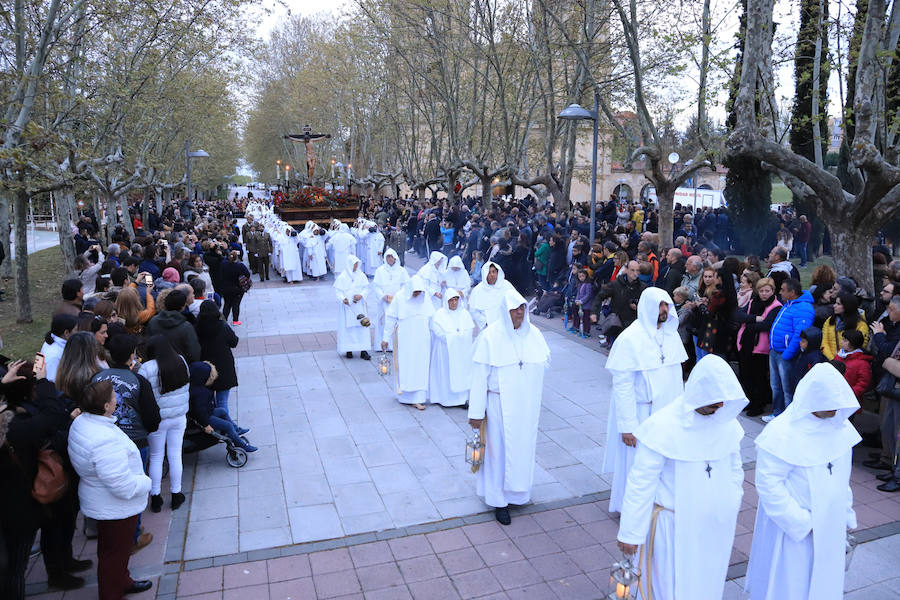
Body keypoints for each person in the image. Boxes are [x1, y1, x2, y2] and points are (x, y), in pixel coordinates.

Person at [616, 355, 747, 600]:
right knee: (671, 588)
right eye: (713, 401)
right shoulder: (663, 426)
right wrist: (630, 533)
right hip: (673, 527)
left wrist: (730, 500)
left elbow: (735, 469)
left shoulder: (726, 425)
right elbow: (641, 482)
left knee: (707, 584)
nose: (719, 407)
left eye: (722, 401)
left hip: (715, 526)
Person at [745, 363, 859, 600]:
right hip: (793, 531)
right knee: (790, 586)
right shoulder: (781, 433)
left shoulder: (840, 427)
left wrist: (845, 513)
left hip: (830, 525)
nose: (834, 411)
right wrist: (802, 523)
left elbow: (841, 477)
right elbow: (769, 484)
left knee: (825, 585)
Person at [467, 289, 550, 525]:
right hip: (498, 404)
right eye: (514, 310)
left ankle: (517, 494)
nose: (519, 314)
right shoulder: (490, 337)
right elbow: (479, 376)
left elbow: (541, 365)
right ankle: (498, 501)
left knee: (522, 450)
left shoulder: (534, 334)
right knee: (497, 453)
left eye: (522, 309)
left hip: (525, 406)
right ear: (505, 312)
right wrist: (475, 412)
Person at [602, 287, 687, 513]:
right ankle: (629, 510)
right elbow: (623, 386)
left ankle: (655, 506)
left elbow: (676, 378)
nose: (664, 310)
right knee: (634, 466)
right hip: (640, 414)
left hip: (666, 415)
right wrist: (627, 426)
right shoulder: (630, 339)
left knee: (663, 465)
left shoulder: (671, 336)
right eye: (660, 305)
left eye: (667, 305)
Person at [67, 380, 154, 599]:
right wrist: (146, 483)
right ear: (106, 406)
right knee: (114, 554)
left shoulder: (84, 422)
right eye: (114, 396)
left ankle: (123, 581)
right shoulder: (104, 440)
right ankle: (112, 593)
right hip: (115, 506)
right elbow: (121, 485)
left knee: (113, 550)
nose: (117, 399)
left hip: (102, 500)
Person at [138, 335, 190, 513]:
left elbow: (141, 393)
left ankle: (156, 497)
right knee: (175, 455)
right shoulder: (181, 362)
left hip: (157, 420)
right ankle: (176, 494)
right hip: (179, 416)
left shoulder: (146, 368)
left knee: (156, 456)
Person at [765, 279, 814, 422]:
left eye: (783, 290)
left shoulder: (804, 308)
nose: (780, 292)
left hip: (785, 355)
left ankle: (789, 420)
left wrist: (787, 354)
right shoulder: (788, 304)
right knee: (775, 386)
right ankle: (777, 413)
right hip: (775, 351)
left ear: (792, 292)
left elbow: (800, 335)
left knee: (788, 389)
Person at [382, 276, 434, 409]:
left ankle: (419, 398)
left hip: (422, 339)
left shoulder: (425, 297)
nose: (417, 294)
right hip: (406, 338)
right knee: (406, 365)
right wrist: (385, 338)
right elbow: (391, 318)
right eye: (415, 291)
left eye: (419, 291)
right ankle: (405, 396)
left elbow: (431, 319)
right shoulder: (400, 297)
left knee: (421, 366)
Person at [735, 277, 782, 416]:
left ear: (773, 291)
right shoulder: (752, 302)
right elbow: (738, 315)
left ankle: (758, 404)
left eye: (767, 291)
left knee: (758, 377)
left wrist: (749, 323)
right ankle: (749, 400)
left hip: (760, 347)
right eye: (761, 291)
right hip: (745, 343)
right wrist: (754, 319)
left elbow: (766, 325)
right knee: (745, 374)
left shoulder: (776, 306)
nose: (764, 294)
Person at [188, 361, 256, 452]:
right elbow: (198, 411)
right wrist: (206, 425)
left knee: (222, 411)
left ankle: (234, 431)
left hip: (208, 412)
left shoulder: (197, 387)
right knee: (227, 425)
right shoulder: (199, 393)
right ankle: (240, 444)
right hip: (204, 418)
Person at [195, 300, 241, 418]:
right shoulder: (222, 326)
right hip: (223, 366)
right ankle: (227, 427)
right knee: (222, 401)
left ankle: (219, 424)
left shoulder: (196, 328)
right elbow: (234, 342)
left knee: (209, 401)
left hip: (206, 368)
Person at [429, 290, 475, 407]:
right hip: (444, 350)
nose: (454, 303)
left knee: (461, 372)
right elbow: (437, 331)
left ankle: (461, 400)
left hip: (461, 351)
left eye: (456, 300)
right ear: (446, 301)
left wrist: (458, 337)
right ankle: (444, 399)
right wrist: (453, 337)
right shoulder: (439, 314)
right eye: (451, 300)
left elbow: (469, 330)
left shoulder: (464, 313)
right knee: (446, 374)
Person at [144, 289, 201, 363]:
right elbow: (194, 354)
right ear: (182, 307)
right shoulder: (187, 327)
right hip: (178, 368)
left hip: (156, 366)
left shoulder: (153, 321)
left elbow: (147, 346)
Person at [371, 248, 410, 352]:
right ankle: (382, 344)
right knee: (383, 322)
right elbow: (376, 286)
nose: (390, 259)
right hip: (384, 301)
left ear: (395, 258)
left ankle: (394, 346)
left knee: (396, 322)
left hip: (397, 301)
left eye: (391, 257)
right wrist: (383, 296)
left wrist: (397, 297)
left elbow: (406, 286)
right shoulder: (380, 270)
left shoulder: (402, 271)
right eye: (387, 257)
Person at [334, 255, 372, 360]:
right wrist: (343, 299)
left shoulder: (361, 276)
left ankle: (363, 350)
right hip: (348, 308)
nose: (356, 266)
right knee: (348, 329)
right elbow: (338, 291)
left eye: (357, 264)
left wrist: (361, 295)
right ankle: (348, 349)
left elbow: (366, 288)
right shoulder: (342, 277)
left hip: (359, 306)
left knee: (362, 327)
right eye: (354, 264)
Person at [821, 291, 870, 360]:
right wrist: (833, 359)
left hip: (850, 363)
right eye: (835, 303)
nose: (834, 305)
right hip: (831, 361)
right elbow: (824, 342)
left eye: (838, 304)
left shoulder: (861, 325)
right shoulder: (830, 320)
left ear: (847, 306)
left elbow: (859, 347)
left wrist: (842, 360)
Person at [468, 261, 515, 331]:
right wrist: (485, 322)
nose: (492, 275)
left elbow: (516, 304)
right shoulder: (478, 290)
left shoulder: (507, 286)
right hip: (486, 328)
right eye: (489, 272)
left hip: (505, 326)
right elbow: (473, 310)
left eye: (494, 272)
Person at [834, 329, 872, 399]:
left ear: (853, 343)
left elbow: (863, 384)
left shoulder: (863, 363)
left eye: (845, 340)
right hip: (835, 395)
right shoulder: (838, 356)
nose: (841, 342)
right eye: (842, 339)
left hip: (850, 399)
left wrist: (849, 393)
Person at [41, 313, 77, 383]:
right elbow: (52, 382)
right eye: (76, 330)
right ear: (66, 333)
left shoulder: (51, 341)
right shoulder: (55, 355)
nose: (78, 332)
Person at [218, 250, 251, 326]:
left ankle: (224, 319)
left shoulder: (224, 264)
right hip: (237, 288)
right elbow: (247, 274)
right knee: (236, 304)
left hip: (226, 288)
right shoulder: (240, 266)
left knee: (227, 304)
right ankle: (235, 320)